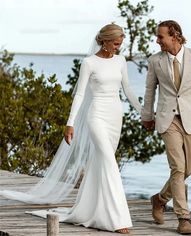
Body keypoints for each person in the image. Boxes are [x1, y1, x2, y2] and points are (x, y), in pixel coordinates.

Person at [0, 23, 141, 234]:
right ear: (104, 40)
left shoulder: (120, 61)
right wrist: (70, 122)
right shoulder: (89, 63)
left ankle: (90, 209)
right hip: (97, 116)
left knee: (101, 162)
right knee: (110, 163)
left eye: (120, 44)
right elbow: (80, 95)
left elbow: (127, 88)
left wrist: (143, 111)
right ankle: (118, 219)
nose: (118, 48)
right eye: (115, 43)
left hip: (115, 116)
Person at [141, 20, 191, 235]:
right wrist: (147, 116)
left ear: (175, 36)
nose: (157, 41)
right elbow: (150, 90)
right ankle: (184, 218)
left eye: (161, 37)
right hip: (168, 120)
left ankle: (159, 199)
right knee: (177, 167)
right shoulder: (155, 60)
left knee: (188, 169)